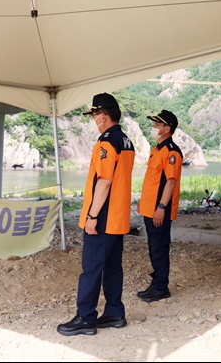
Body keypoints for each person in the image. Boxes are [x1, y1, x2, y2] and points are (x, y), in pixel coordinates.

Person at [57, 92, 135, 336]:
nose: (93, 120)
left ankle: (86, 318)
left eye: (94, 115)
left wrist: (92, 216)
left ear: (103, 115)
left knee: (91, 268)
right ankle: (114, 313)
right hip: (118, 216)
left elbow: (104, 181)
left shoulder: (106, 142)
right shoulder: (126, 141)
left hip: (102, 216)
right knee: (112, 267)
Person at [136, 110, 183, 303]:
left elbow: (170, 182)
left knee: (159, 248)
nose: (154, 127)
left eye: (157, 124)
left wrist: (161, 207)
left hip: (159, 210)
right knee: (153, 247)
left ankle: (161, 287)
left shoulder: (172, 152)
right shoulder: (157, 149)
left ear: (167, 128)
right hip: (150, 209)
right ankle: (156, 284)